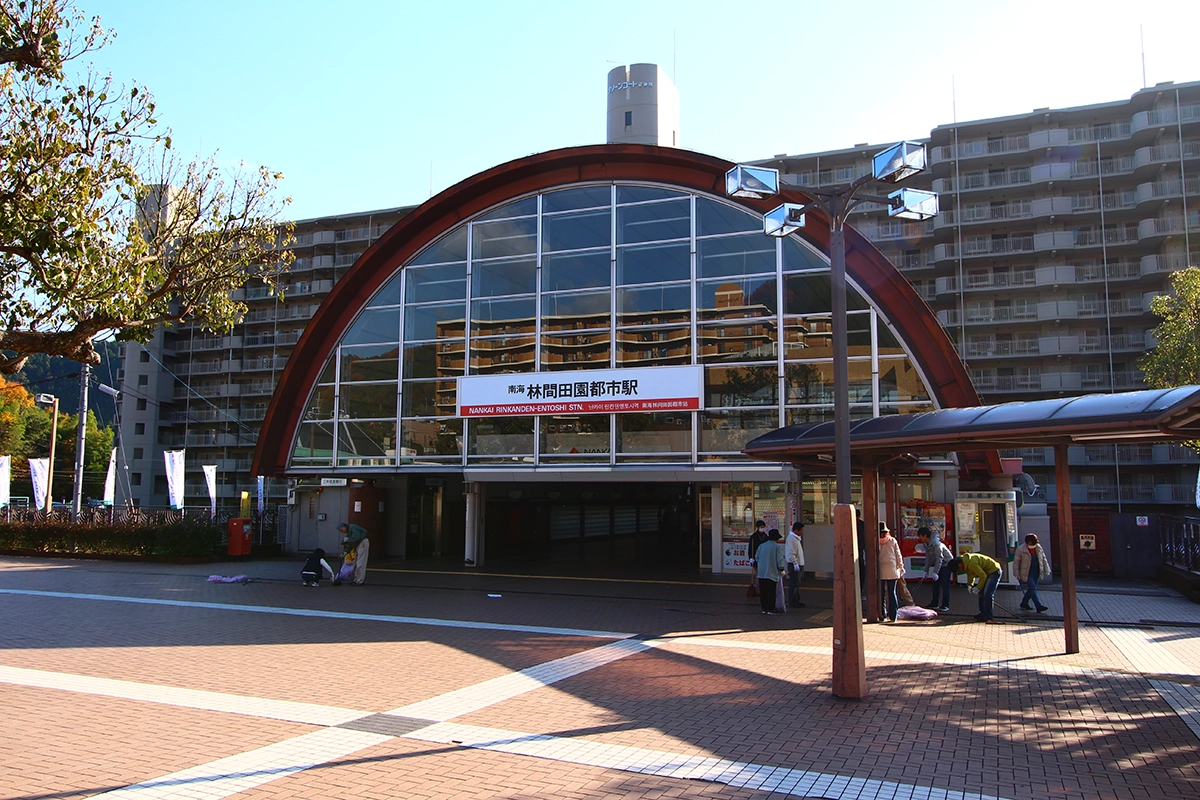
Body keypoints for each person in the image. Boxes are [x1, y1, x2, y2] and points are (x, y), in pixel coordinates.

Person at [954, 551, 1003, 622]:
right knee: (981, 593)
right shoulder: (966, 563)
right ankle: (983, 613)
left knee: (988, 594)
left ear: (959, 565)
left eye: (958, 569)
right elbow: (971, 575)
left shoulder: (971, 563)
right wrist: (970, 585)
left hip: (994, 571)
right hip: (987, 573)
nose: (960, 570)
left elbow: (983, 576)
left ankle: (989, 617)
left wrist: (977, 587)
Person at [918, 527, 954, 612]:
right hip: (939, 564)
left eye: (920, 536)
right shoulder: (926, 544)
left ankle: (945, 605)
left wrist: (935, 572)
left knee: (945, 585)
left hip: (946, 564)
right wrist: (925, 571)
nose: (919, 538)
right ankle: (934, 603)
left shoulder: (936, 543)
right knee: (935, 584)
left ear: (925, 535)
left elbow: (939, 558)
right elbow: (928, 558)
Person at [1014, 533, 1051, 613]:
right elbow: (1016, 562)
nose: (1033, 545)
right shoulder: (1021, 549)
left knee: (1032, 589)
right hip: (1027, 573)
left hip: (1036, 571)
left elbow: (1043, 558)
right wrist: (1016, 573)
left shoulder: (1038, 548)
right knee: (1033, 588)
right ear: (1028, 543)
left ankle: (1024, 603)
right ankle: (1038, 606)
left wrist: (1047, 569)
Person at [755, 530, 787, 615]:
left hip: (761, 572)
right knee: (771, 591)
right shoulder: (777, 547)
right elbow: (780, 560)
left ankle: (763, 608)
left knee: (763, 591)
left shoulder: (762, 546)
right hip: (772, 572)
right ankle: (771, 608)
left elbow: (756, 557)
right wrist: (782, 569)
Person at [878, 523, 904, 622]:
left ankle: (882, 614)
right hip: (892, 570)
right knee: (892, 593)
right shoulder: (892, 540)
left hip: (881, 570)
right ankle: (893, 615)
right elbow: (898, 554)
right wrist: (901, 566)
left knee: (882, 594)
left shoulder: (876, 542)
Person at [785, 521, 806, 608]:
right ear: (796, 530)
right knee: (794, 583)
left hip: (797, 564)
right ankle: (793, 601)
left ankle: (796, 600)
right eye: (801, 530)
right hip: (794, 564)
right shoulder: (792, 539)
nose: (802, 532)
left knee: (796, 583)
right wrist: (795, 563)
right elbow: (791, 552)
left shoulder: (795, 538)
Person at [747, 519, 769, 595]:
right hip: (756, 559)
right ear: (757, 527)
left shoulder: (765, 536)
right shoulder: (753, 537)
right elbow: (751, 549)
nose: (762, 528)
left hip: (764, 558)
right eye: (761, 527)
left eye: (763, 527)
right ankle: (758, 590)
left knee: (764, 575)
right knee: (759, 575)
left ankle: (763, 589)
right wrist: (751, 558)